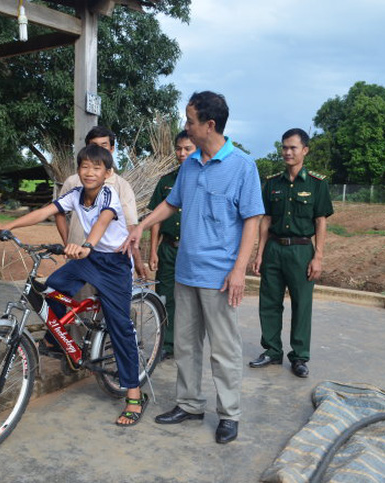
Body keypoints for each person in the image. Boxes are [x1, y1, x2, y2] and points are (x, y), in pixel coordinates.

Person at [121, 91, 264, 444]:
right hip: (186, 272)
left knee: (224, 349)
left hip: (219, 277)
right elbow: (171, 204)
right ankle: (189, 403)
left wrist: (238, 271)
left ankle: (229, 414)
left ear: (209, 125)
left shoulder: (243, 166)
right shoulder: (189, 164)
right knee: (185, 344)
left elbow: (252, 220)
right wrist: (141, 224)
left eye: (190, 120)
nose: (186, 127)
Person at [0, 144, 148, 427]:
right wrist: (10, 228)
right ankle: (62, 341)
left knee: (120, 327)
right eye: (84, 166)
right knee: (51, 287)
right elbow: (45, 211)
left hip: (113, 264)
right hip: (90, 258)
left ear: (107, 173)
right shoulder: (75, 194)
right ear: (78, 170)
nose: (89, 173)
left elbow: (103, 221)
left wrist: (87, 245)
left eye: (96, 168)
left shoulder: (109, 195)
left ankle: (134, 396)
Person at [249, 128, 334, 378]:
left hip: (301, 250)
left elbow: (321, 221)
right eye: (284, 147)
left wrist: (318, 257)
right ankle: (272, 350)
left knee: (302, 304)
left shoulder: (317, 184)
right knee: (269, 302)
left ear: (304, 150)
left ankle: (299, 357)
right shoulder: (273, 182)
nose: (287, 152)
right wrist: (259, 253)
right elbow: (265, 219)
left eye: (293, 148)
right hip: (274, 248)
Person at [55, 126, 146, 277]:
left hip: (110, 259)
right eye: (93, 146)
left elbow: (130, 226)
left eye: (104, 146)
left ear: (112, 149)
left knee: (106, 298)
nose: (99, 151)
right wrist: (67, 242)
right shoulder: (73, 182)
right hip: (78, 254)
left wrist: (137, 260)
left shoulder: (121, 186)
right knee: (78, 298)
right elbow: (58, 212)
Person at [147, 131, 196, 359]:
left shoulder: (201, 179)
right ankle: (166, 344)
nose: (182, 153)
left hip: (193, 251)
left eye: (188, 148)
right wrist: (153, 250)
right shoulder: (166, 181)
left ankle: (187, 344)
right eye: (179, 149)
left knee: (191, 299)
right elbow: (157, 217)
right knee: (164, 296)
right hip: (168, 248)